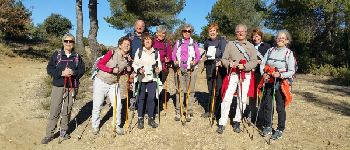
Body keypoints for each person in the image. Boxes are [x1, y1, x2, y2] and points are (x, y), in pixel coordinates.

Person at [42, 33, 85, 144]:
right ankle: (49, 134)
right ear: (63, 42)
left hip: (72, 86)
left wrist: (73, 72)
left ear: (74, 43)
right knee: (55, 109)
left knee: (67, 109)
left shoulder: (77, 56)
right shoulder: (57, 54)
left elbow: (82, 70)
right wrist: (61, 73)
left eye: (71, 41)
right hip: (58, 86)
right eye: (66, 41)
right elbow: (49, 69)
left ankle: (63, 131)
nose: (68, 43)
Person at [216, 24, 257, 134]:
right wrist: (229, 63)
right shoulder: (230, 44)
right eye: (238, 31)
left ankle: (237, 121)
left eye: (242, 31)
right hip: (232, 74)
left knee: (242, 99)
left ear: (246, 32)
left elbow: (254, 61)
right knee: (226, 98)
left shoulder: (250, 46)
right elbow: (224, 59)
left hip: (245, 75)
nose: (240, 33)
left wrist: (245, 66)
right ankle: (222, 122)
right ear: (235, 33)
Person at [91, 36, 132, 136]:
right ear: (120, 45)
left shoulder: (127, 59)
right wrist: (111, 70)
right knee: (98, 104)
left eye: (128, 44)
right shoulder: (112, 52)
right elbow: (100, 65)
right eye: (125, 44)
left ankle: (117, 126)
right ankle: (95, 126)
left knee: (118, 105)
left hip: (114, 83)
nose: (127, 46)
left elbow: (120, 73)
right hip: (101, 80)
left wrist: (127, 71)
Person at [259, 30, 295, 140]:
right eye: (278, 37)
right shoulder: (270, 50)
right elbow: (263, 64)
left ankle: (280, 129)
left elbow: (291, 71)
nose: (280, 39)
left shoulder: (289, 53)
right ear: (276, 39)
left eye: (283, 38)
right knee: (267, 105)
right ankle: (268, 126)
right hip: (268, 81)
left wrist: (280, 74)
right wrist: (263, 74)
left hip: (281, 83)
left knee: (280, 107)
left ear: (287, 41)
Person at [172, 24, 201, 122]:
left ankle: (189, 111)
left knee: (190, 91)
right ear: (182, 32)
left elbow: (198, 56)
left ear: (191, 33)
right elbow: (173, 54)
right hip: (180, 69)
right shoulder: (178, 42)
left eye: (189, 31)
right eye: (185, 31)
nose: (187, 33)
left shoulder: (194, 43)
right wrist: (175, 61)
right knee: (179, 90)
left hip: (191, 69)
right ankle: (178, 111)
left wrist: (195, 62)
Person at [132, 33, 162, 129]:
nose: (148, 41)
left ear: (152, 41)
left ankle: (151, 118)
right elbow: (134, 64)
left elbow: (159, 65)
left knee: (152, 98)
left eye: (149, 39)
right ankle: (140, 118)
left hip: (152, 78)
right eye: (146, 40)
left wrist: (158, 69)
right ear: (143, 41)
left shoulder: (156, 52)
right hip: (141, 78)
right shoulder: (139, 51)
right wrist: (138, 70)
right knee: (141, 98)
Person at [201, 23, 227, 118]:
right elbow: (206, 52)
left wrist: (219, 61)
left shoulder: (222, 41)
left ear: (217, 31)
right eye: (210, 31)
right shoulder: (207, 42)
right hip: (209, 66)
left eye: (214, 30)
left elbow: (224, 54)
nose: (212, 32)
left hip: (219, 68)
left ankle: (218, 111)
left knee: (218, 89)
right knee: (210, 88)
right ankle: (209, 110)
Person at [248, 28, 271, 125]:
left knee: (261, 95)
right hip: (251, 73)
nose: (255, 38)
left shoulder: (267, 47)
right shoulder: (249, 46)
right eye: (253, 36)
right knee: (252, 95)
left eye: (257, 36)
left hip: (261, 73)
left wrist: (262, 62)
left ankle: (260, 117)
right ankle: (252, 115)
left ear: (261, 36)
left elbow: (270, 60)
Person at [153, 25, 172, 114]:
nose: (162, 34)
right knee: (152, 87)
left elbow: (170, 56)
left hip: (163, 69)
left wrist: (168, 59)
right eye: (160, 32)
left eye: (164, 33)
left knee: (159, 88)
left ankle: (158, 107)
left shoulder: (167, 43)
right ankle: (151, 105)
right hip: (152, 69)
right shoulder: (152, 42)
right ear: (156, 33)